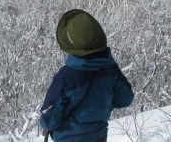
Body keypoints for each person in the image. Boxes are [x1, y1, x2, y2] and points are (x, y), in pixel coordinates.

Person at [40, 9, 134, 142]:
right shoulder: (110, 70)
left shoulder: (66, 77)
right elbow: (126, 98)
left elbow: (49, 119)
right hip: (99, 137)